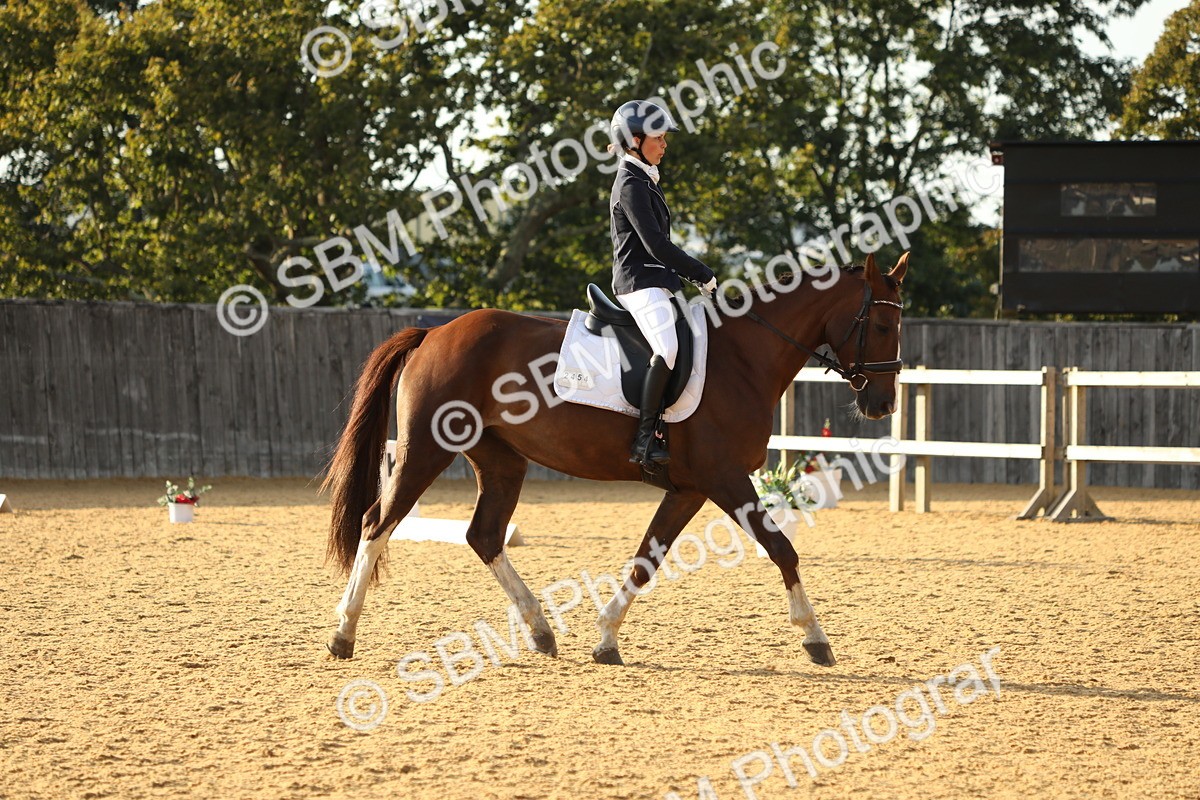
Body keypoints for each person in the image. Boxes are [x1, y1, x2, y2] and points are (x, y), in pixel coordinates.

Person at [608, 100, 717, 466]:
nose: (665, 144)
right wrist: (700, 273)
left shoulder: (643, 178)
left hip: (656, 280)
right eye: (659, 138)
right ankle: (643, 439)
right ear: (634, 140)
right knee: (667, 349)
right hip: (638, 282)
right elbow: (655, 244)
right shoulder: (630, 183)